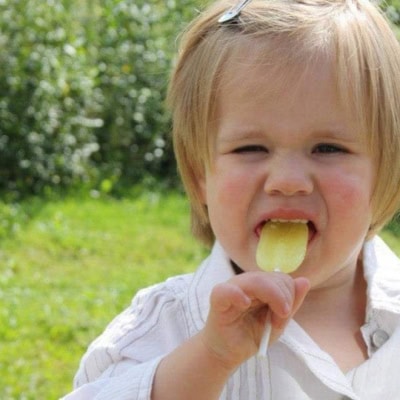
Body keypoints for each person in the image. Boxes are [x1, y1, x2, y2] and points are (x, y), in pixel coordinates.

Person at [61, 0, 400, 398]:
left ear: (386, 169)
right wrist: (210, 360)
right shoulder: (164, 328)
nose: (288, 182)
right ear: (201, 173)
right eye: (251, 148)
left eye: (327, 148)